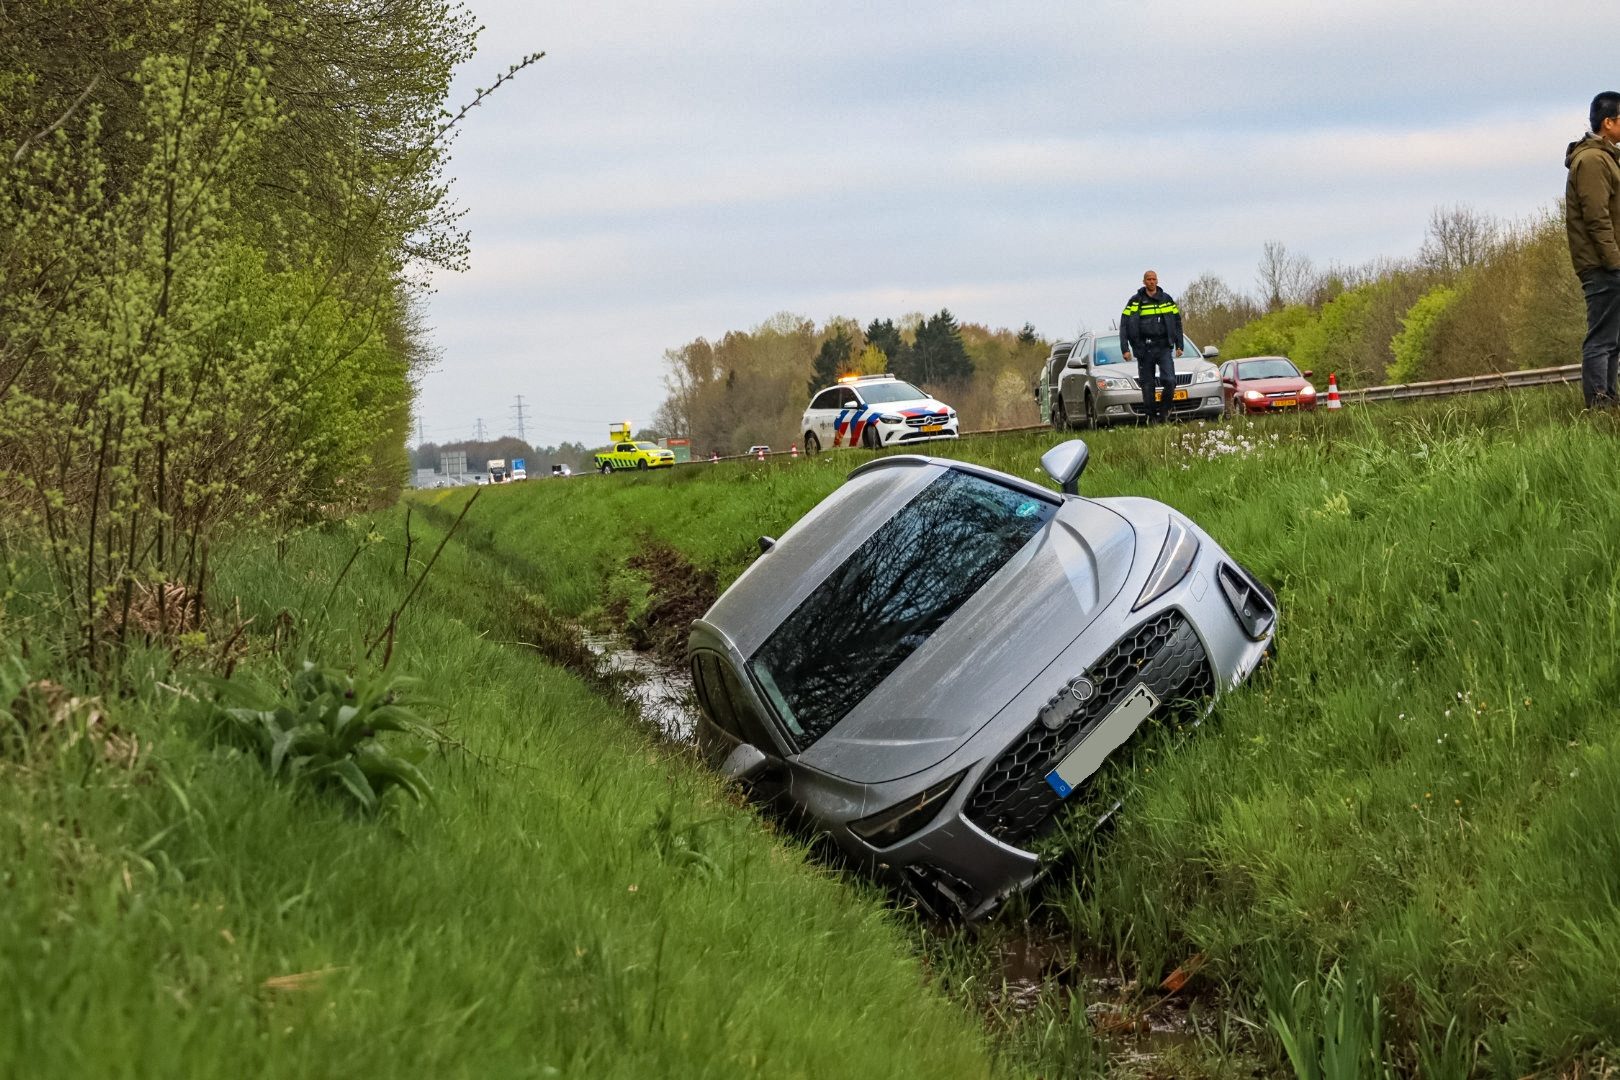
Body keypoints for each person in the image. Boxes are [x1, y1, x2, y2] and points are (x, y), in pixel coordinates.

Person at [1566, 91, 1620, 409]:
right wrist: (1615, 263)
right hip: (1602, 265)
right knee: (1601, 339)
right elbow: (1596, 218)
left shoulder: (1606, 158)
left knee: (1613, 340)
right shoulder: (1591, 161)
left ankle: (1609, 403)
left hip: (1609, 263)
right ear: (1608, 122)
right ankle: (1599, 405)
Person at [1120, 270, 1184, 423]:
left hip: (1163, 347)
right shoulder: (1135, 301)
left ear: (1157, 281)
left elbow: (1177, 322)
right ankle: (1151, 417)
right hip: (1144, 348)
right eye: (1148, 279)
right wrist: (1125, 348)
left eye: (1154, 279)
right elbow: (1124, 325)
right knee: (1147, 385)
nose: (1151, 282)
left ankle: (1164, 412)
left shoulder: (1166, 299)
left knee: (1169, 380)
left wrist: (1179, 344)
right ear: (1144, 282)